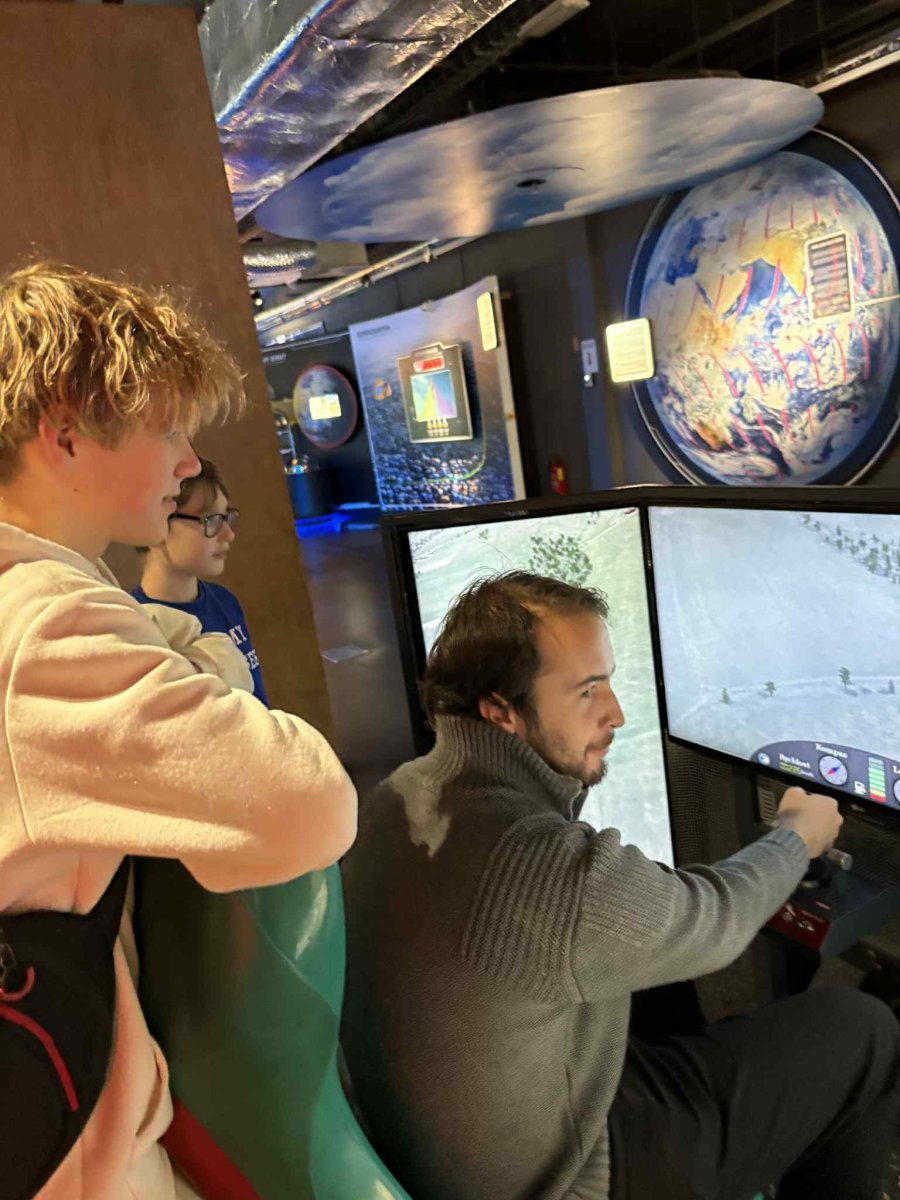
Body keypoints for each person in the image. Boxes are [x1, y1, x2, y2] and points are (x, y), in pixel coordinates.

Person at [341, 571, 900, 1200]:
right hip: (570, 1178)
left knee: (668, 978)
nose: (617, 714)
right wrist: (797, 835)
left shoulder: (398, 794)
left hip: (466, 1136)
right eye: (587, 692)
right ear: (501, 712)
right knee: (864, 1030)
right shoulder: (536, 866)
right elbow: (714, 920)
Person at [0, 261, 357, 1199]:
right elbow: (309, 805)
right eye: (165, 428)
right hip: (80, 1155)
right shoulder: (49, 627)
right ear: (65, 436)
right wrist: (220, 672)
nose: (188, 462)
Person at [134, 457, 269, 705]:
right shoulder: (140, 625)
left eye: (226, 518)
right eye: (210, 520)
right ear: (156, 522)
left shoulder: (224, 599)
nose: (228, 534)